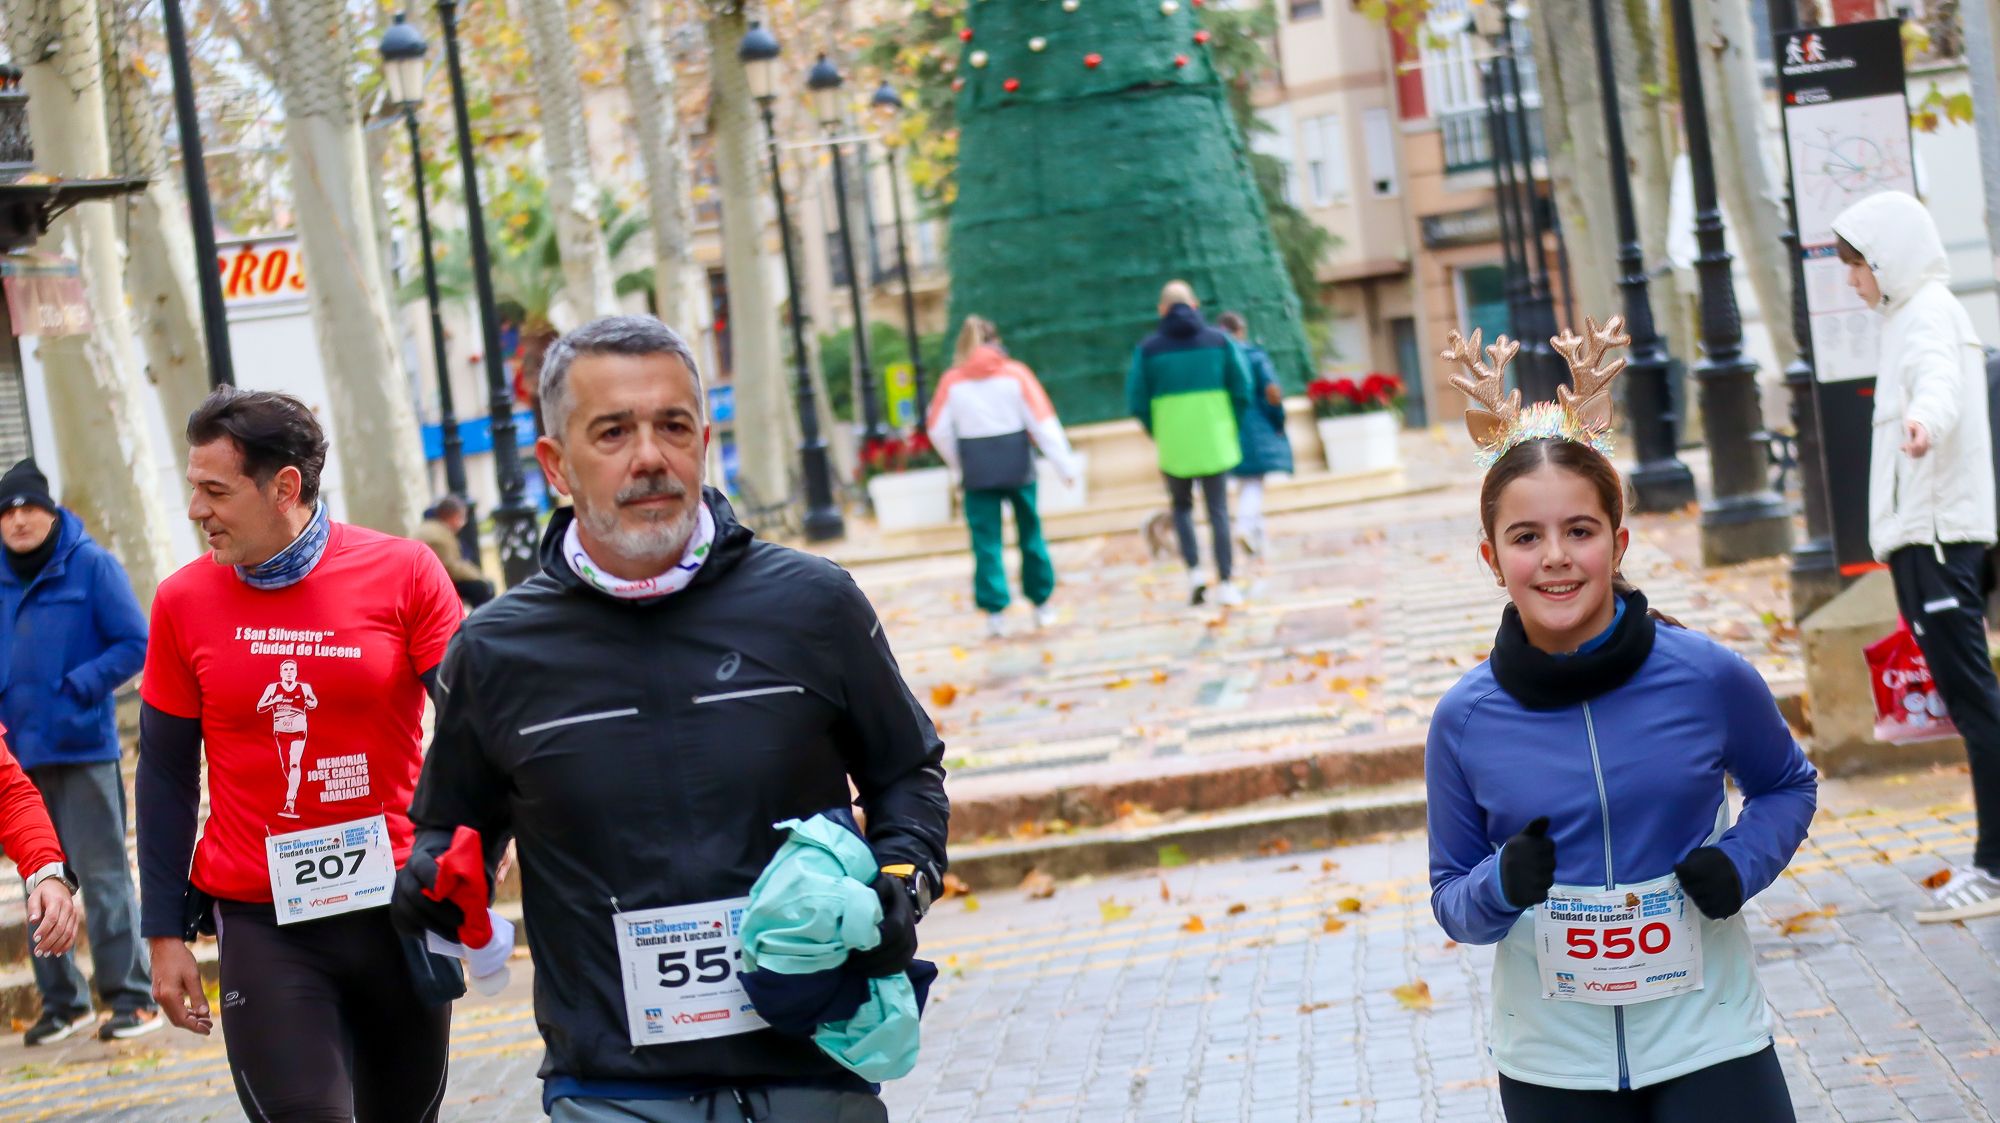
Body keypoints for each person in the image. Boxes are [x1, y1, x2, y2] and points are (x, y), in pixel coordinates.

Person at [392, 315, 949, 1123]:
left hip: (812, 1062)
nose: (648, 455)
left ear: (704, 440)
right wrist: (433, 884)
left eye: (672, 426)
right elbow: (451, 829)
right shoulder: (495, 650)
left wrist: (903, 883)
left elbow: (906, 772)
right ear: (555, 464)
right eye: (612, 431)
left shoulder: (813, 604)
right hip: (612, 1082)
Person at [1426, 319, 1817, 1121]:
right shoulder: (1465, 719)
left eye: (1580, 530)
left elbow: (1787, 785)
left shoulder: (1705, 674)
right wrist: (1500, 883)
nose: (1557, 556)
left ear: (1618, 539)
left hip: (1710, 1038)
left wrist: (1740, 863)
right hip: (1552, 1061)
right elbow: (1449, 894)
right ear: (1493, 558)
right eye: (1527, 537)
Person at [136, 387, 466, 1121]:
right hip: (263, 923)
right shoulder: (182, 602)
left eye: (215, 490)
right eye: (192, 487)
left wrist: (477, 827)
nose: (196, 509)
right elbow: (163, 773)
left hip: (398, 914)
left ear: (284, 487)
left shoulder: (406, 572)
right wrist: (162, 932)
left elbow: (474, 720)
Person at [1831, 191, 2000, 923]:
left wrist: (1925, 422)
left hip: (1934, 536)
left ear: (1886, 257)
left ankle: (1993, 867)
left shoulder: (1926, 313)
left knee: (1974, 700)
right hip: (1926, 534)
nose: (1851, 280)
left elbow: (1941, 384)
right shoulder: (1909, 315)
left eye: (1856, 264)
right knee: (1973, 699)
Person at [0, 458, 160, 1044]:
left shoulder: (90, 565)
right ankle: (64, 1003)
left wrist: (79, 688)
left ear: (51, 510)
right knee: (38, 876)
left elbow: (134, 641)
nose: (18, 520)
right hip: (14, 752)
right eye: (7, 511)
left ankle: (131, 998)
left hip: (82, 748)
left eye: (28, 508)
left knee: (102, 873)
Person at [927, 316, 1079, 639]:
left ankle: (995, 612)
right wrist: (1065, 466)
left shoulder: (952, 381)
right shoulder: (1016, 374)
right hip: (1017, 463)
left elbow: (938, 429)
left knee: (985, 542)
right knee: (1030, 533)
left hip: (977, 468)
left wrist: (959, 464)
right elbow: (1042, 423)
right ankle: (1041, 605)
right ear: (996, 341)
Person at [1127, 280, 1253, 606]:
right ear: (1195, 305)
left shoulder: (1148, 350)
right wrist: (1228, 424)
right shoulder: (1220, 341)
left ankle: (1195, 573)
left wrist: (1159, 429)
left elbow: (1137, 400)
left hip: (1174, 441)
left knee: (1181, 509)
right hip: (1214, 437)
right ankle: (1226, 582)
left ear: (1161, 310)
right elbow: (1242, 388)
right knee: (1219, 511)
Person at [1213, 312, 1293, 559]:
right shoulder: (1255, 357)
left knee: (1244, 482)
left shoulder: (1216, 360)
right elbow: (1272, 392)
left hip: (1225, 428)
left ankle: (1257, 539)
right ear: (1241, 331)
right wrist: (1278, 418)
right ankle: (1246, 528)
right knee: (1253, 483)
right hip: (1256, 425)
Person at [415, 495, 495, 609]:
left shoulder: (432, 528)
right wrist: (481, 578)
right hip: (430, 585)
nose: (463, 523)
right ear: (453, 517)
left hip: (427, 583)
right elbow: (451, 568)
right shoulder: (439, 535)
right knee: (481, 588)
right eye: (461, 518)